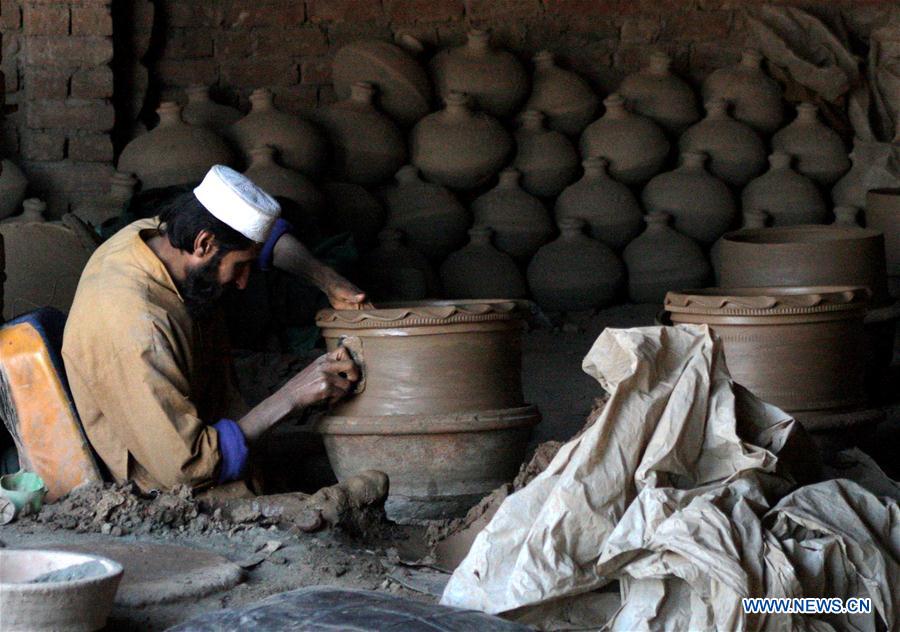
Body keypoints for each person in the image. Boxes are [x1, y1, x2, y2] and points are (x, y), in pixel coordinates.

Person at [62, 165, 362, 493]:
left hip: (209, 427)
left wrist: (326, 280)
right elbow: (189, 467)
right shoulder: (137, 328)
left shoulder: (156, 235)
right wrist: (292, 395)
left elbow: (265, 241)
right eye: (240, 266)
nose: (244, 282)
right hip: (173, 487)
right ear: (204, 243)